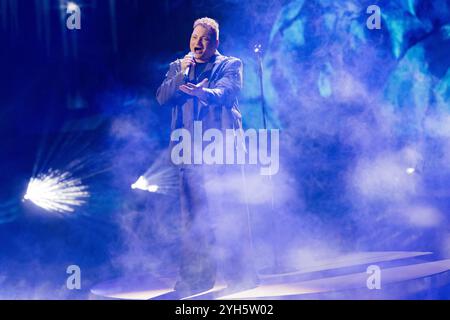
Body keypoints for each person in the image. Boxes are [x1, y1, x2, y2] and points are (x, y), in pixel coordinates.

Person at [156, 17, 258, 296]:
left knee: (229, 215)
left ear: (215, 43)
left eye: (204, 39)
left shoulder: (230, 65)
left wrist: (204, 93)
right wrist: (181, 74)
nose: (197, 43)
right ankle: (196, 280)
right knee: (194, 221)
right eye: (194, 37)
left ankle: (242, 277)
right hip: (189, 152)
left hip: (221, 151)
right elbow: (163, 97)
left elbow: (226, 92)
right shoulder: (179, 66)